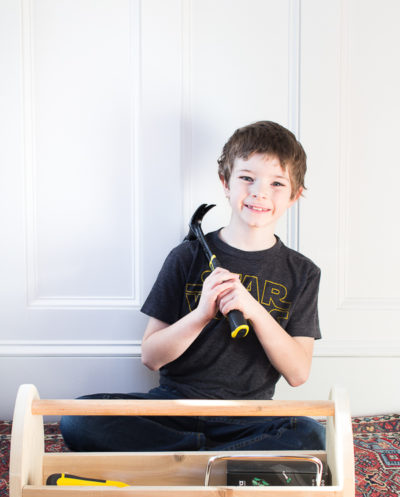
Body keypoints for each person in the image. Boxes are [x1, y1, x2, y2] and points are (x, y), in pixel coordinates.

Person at [60, 121, 325, 452]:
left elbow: (298, 373)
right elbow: (151, 357)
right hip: (173, 409)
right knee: (78, 418)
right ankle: (212, 464)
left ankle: (182, 464)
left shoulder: (303, 273)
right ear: (225, 183)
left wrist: (253, 309)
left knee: (311, 434)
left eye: (276, 183)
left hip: (249, 419)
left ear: (295, 196)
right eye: (246, 178)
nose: (259, 192)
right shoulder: (186, 256)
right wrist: (202, 313)